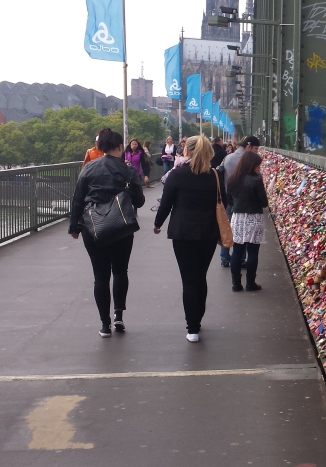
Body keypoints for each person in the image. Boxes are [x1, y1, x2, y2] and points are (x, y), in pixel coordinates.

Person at [68, 128, 145, 338]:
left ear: (100, 147)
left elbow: (77, 199)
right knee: (120, 271)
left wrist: (74, 226)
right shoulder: (128, 170)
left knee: (100, 276)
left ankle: (104, 324)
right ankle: (119, 314)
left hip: (93, 228)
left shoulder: (88, 168)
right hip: (121, 227)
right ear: (120, 147)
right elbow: (139, 201)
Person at [154, 135, 226, 342]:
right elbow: (224, 200)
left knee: (189, 279)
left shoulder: (177, 175)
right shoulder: (214, 175)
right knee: (200, 276)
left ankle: (192, 327)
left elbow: (166, 203)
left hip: (183, 232)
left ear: (187, 150)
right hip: (208, 232)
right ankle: (197, 319)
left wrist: (158, 224)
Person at [225, 150, 269, 293]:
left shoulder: (232, 178)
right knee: (253, 252)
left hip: (237, 218)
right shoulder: (256, 179)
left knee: (237, 251)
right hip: (254, 217)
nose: (259, 168)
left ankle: (235, 284)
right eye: (257, 166)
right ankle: (251, 283)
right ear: (251, 165)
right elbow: (263, 203)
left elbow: (229, 200)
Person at [218, 136, 259, 267]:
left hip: (228, 198)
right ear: (248, 146)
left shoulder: (227, 157)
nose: (257, 152)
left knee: (227, 228)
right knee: (241, 233)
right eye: (256, 149)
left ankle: (224, 257)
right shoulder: (248, 162)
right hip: (244, 202)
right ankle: (240, 260)